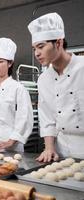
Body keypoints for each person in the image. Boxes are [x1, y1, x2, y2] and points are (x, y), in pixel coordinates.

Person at [28, 13, 84, 162]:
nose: (37, 53)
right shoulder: (43, 79)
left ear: (58, 43)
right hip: (63, 149)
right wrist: (49, 148)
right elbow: (47, 118)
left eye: (41, 46)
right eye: (34, 48)